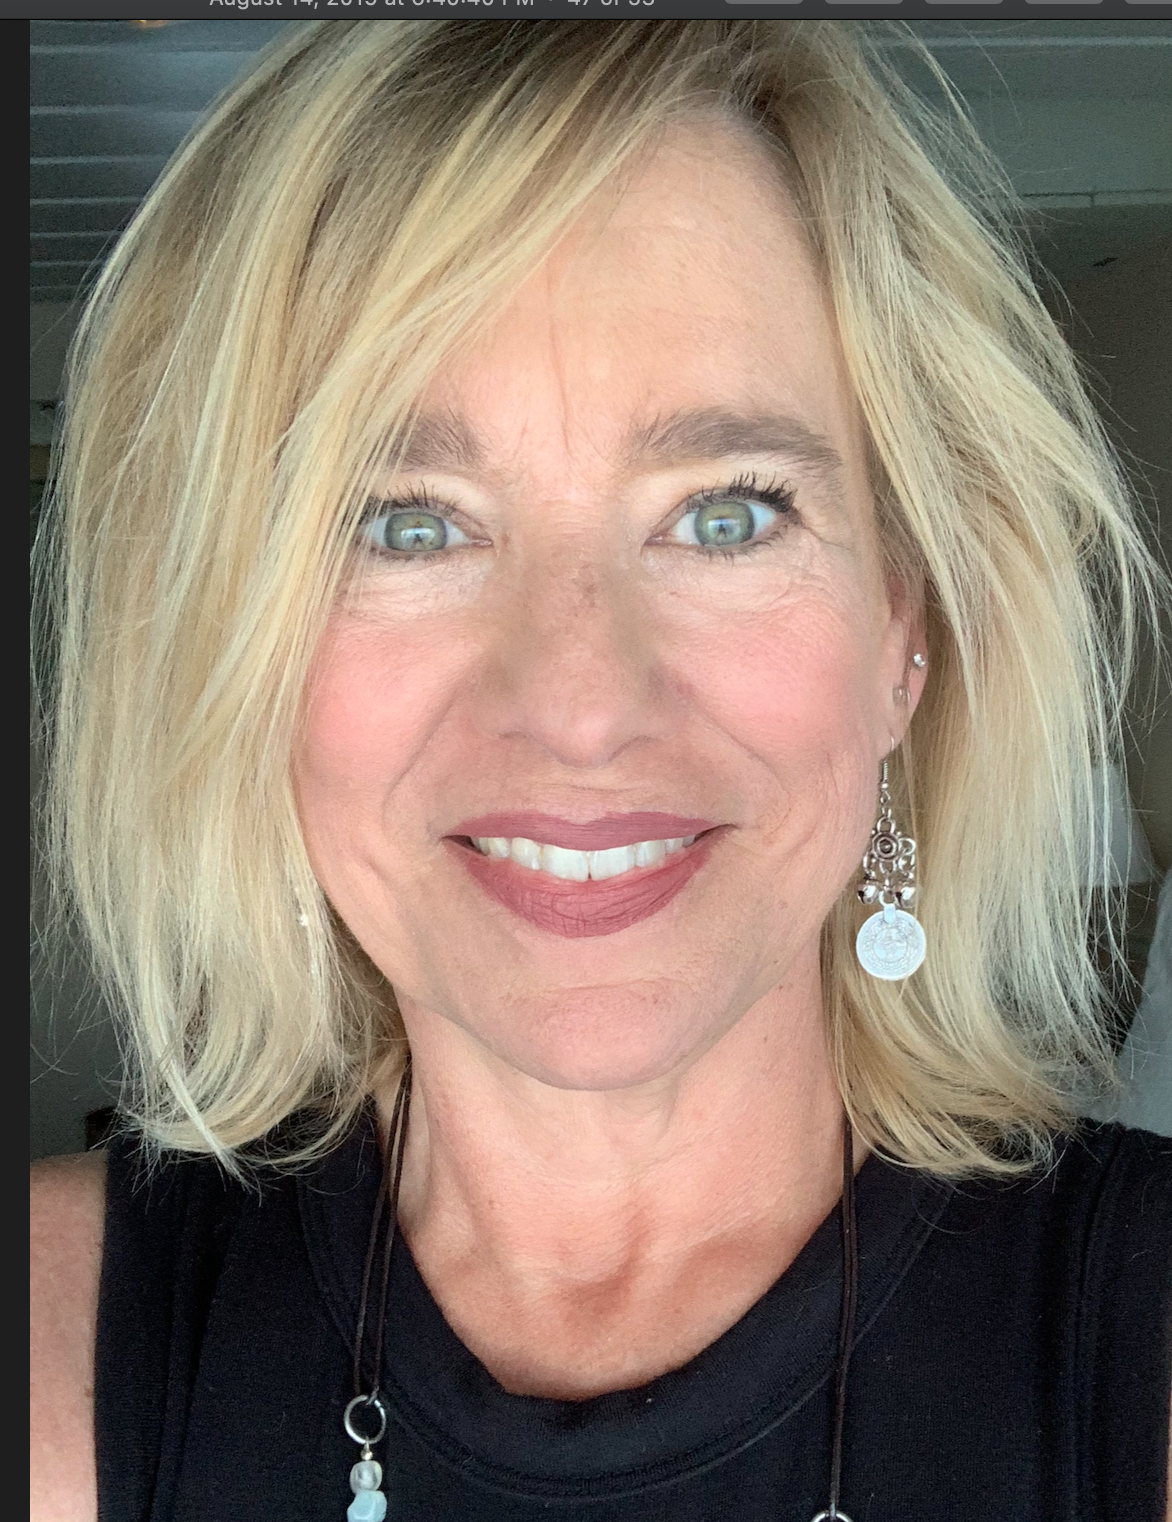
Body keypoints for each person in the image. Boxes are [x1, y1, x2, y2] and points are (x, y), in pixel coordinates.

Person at [29, 19, 1172, 1522]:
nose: (579, 708)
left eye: (727, 514)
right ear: (237, 660)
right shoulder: (54, 1364)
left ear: (905, 626)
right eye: (406, 522)